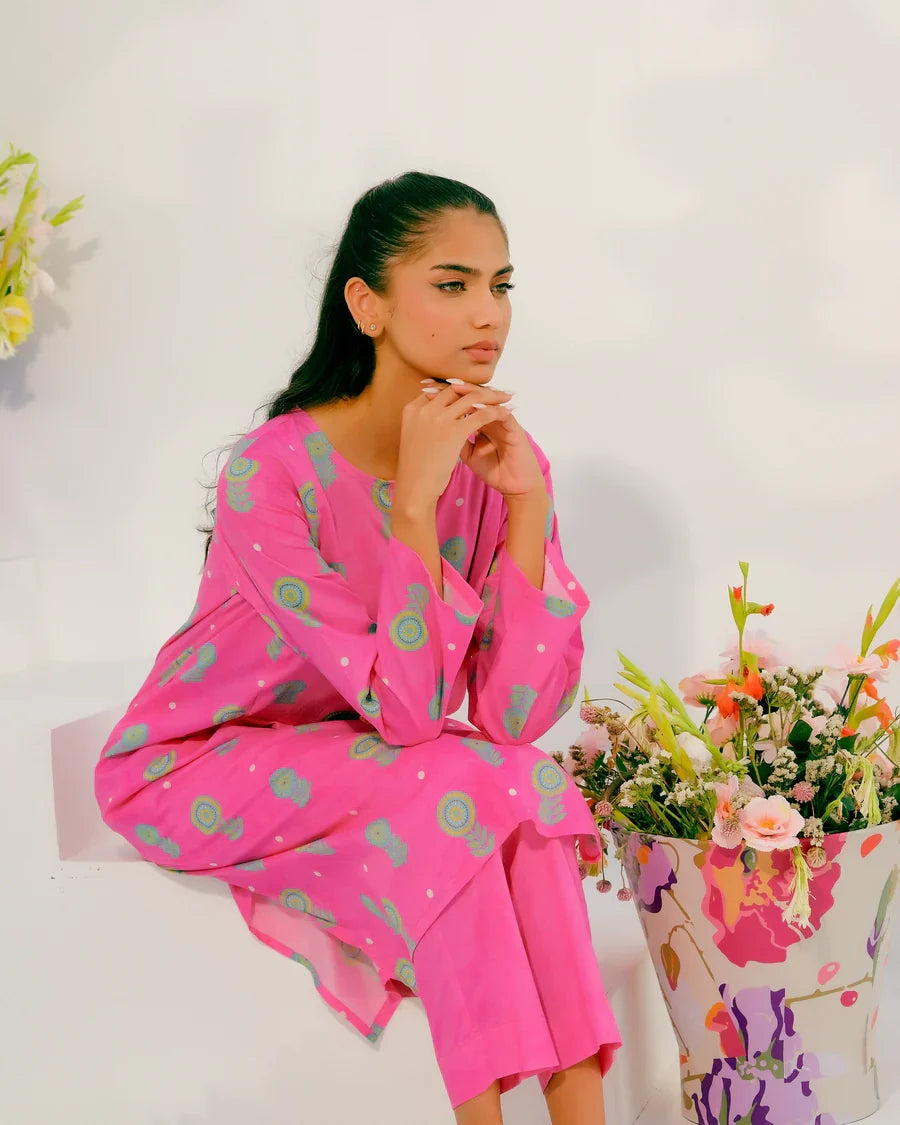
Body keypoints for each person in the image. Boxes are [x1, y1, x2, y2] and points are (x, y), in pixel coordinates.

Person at [94, 171, 621, 1125]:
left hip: (358, 750)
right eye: (452, 283)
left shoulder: (492, 464)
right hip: (199, 762)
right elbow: (414, 716)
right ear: (368, 305)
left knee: (520, 779)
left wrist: (529, 505)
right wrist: (413, 506)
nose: (488, 314)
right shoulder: (274, 471)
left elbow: (511, 716)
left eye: (501, 285)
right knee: (458, 788)